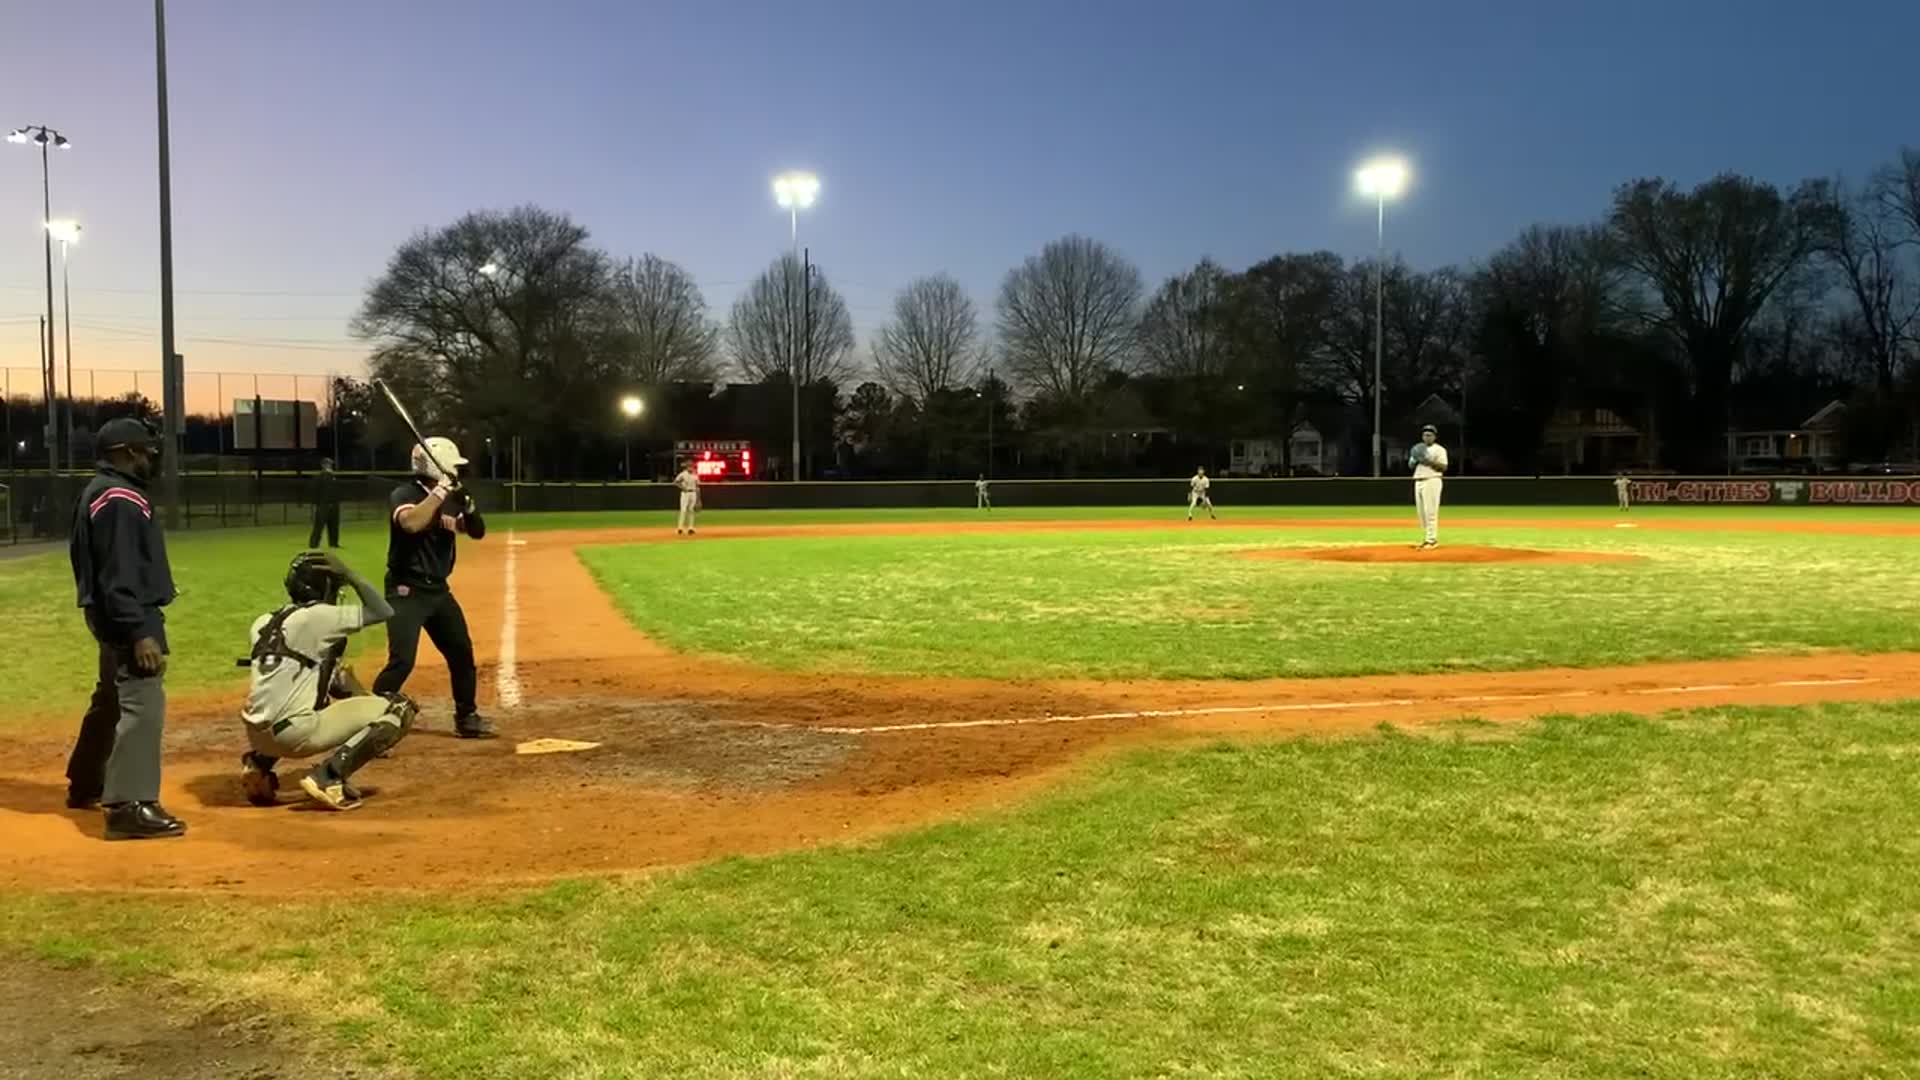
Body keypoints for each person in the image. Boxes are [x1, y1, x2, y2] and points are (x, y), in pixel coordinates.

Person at [66, 417, 185, 840]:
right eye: (145, 449)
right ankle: (128, 806)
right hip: (127, 613)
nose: (152, 455)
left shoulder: (100, 491)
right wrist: (139, 630)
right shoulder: (119, 497)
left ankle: (86, 781)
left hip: (111, 611)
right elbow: (119, 573)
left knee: (112, 698)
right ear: (126, 452)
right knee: (142, 702)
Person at [237, 551, 415, 811]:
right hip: (293, 735)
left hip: (256, 735)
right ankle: (329, 777)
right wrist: (351, 574)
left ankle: (260, 765)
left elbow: (327, 683)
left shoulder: (263, 622)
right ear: (324, 588)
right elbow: (382, 610)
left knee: (310, 699)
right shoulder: (317, 617)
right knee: (398, 708)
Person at [370, 436, 493, 739]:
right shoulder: (405, 494)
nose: (457, 472)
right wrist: (440, 492)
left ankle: (467, 717)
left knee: (461, 653)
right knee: (402, 661)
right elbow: (411, 523)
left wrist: (470, 505)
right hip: (406, 589)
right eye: (453, 467)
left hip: (438, 591)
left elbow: (476, 532)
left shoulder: (450, 498)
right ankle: (367, 723)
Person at [1409, 424, 1449, 549]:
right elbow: (1411, 466)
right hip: (1418, 480)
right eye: (1424, 435)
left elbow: (1444, 467)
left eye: (1429, 435)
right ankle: (1427, 538)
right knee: (1422, 513)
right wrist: (1414, 460)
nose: (1426, 437)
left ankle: (1432, 540)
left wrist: (1428, 461)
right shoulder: (1419, 448)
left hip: (1432, 480)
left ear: (1434, 437)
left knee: (1430, 512)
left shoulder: (1439, 450)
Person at [308, 457, 341, 549]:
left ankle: (334, 543)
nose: (329, 466)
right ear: (322, 465)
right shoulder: (319, 477)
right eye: (327, 464)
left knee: (334, 525)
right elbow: (315, 492)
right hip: (323, 505)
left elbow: (336, 491)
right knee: (319, 525)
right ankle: (314, 544)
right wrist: (315, 504)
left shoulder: (333, 476)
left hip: (334, 504)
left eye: (330, 464)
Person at [674, 458, 701, 535]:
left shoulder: (695, 475)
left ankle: (691, 528)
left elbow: (697, 487)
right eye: (689, 466)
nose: (690, 467)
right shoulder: (683, 474)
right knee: (683, 510)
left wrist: (699, 499)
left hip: (693, 493)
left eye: (691, 466)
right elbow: (676, 482)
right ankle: (680, 528)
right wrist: (682, 488)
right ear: (686, 467)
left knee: (691, 510)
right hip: (685, 493)